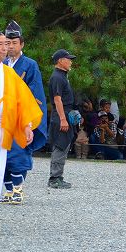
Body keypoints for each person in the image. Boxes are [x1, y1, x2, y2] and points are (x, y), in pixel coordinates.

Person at [0, 29, 43, 217]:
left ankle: (16, 189)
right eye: (4, 44)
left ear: (21, 44)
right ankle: (9, 189)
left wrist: (27, 123)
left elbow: (27, 96)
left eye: (11, 43)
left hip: (11, 120)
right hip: (2, 119)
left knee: (13, 156)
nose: (7, 48)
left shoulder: (24, 66)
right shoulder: (5, 66)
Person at [48, 49, 76, 188]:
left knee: (63, 145)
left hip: (64, 113)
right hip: (60, 115)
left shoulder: (62, 76)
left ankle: (58, 176)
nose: (70, 61)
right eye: (68, 59)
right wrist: (63, 119)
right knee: (60, 145)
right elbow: (57, 100)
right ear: (60, 61)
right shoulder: (57, 77)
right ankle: (54, 178)